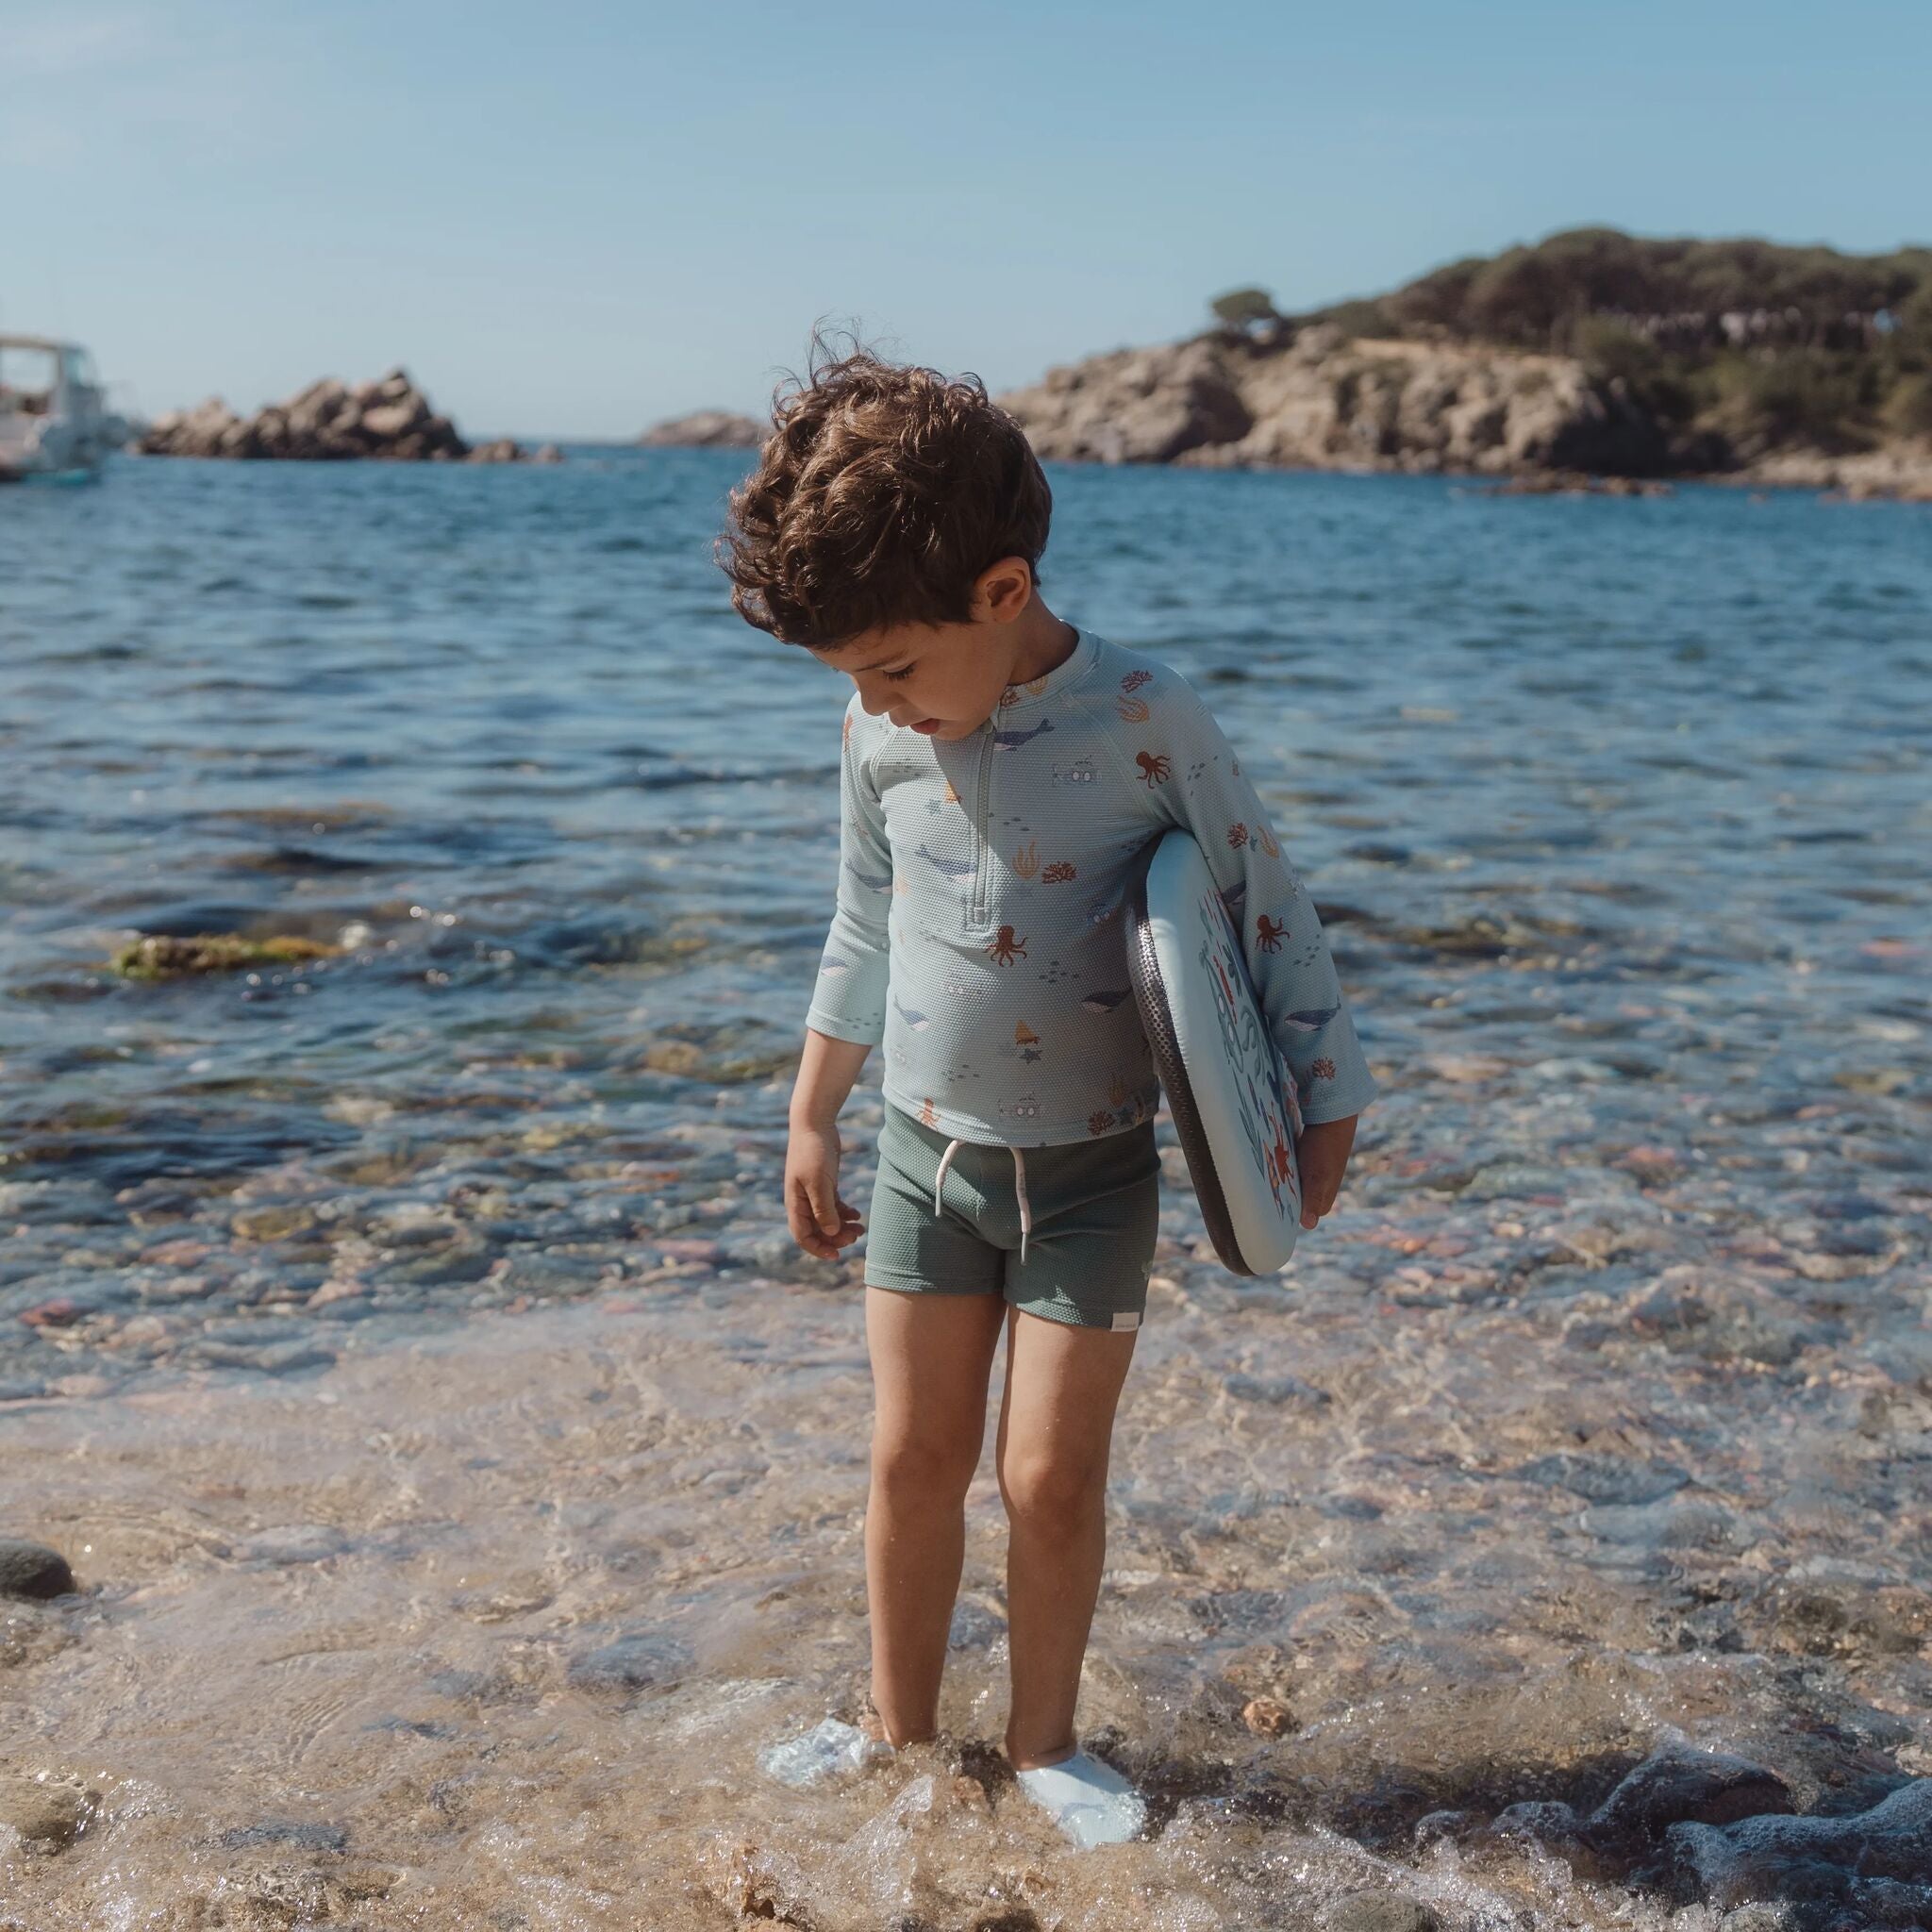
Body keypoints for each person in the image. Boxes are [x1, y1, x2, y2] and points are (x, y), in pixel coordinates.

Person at [716, 339, 1376, 1850]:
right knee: (910, 1458)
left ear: (1002, 594)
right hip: (920, 1160)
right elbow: (862, 922)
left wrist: (1317, 1111)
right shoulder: (875, 732)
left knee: (1047, 1474)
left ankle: (1048, 1745)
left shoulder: (1151, 723)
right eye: (855, 681)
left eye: (893, 664)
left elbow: (1265, 916)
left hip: (1092, 1172)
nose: (881, 703)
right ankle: (893, 1725)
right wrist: (814, 1110)